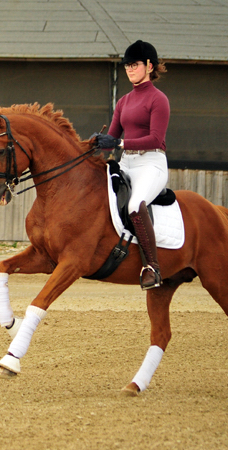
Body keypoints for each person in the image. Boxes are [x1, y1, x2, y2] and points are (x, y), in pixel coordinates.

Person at [94, 40, 170, 290]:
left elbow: (156, 138)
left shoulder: (159, 100)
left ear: (149, 66)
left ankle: (153, 267)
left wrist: (119, 142)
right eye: (127, 65)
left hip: (151, 163)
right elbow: (111, 141)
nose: (129, 69)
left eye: (134, 65)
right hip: (126, 162)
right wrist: (95, 144)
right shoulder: (124, 101)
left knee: (136, 205)